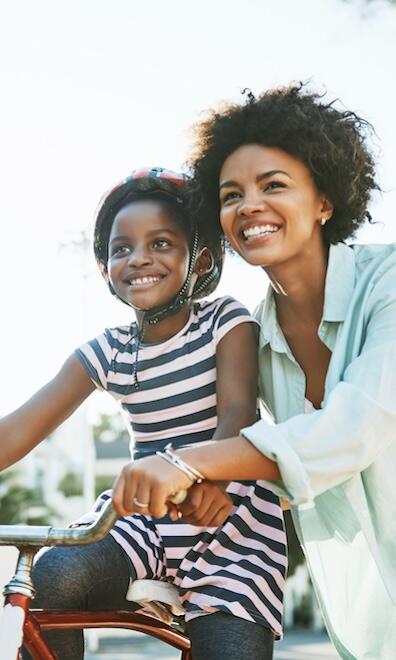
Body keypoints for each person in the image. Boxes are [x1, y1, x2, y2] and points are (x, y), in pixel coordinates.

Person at [117, 87, 396, 660]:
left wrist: (187, 463)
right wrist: (218, 484)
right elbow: (286, 465)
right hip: (367, 617)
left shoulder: (388, 283)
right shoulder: (252, 338)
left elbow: (356, 430)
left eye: (273, 185)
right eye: (230, 194)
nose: (248, 206)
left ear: (324, 200)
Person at [0, 166, 286, 660]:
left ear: (199, 260)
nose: (138, 259)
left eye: (161, 243)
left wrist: (209, 481)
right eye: (121, 248)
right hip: (144, 524)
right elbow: (16, 431)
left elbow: (239, 409)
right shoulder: (108, 351)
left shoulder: (224, 320)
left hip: (230, 524)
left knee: (230, 646)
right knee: (51, 578)